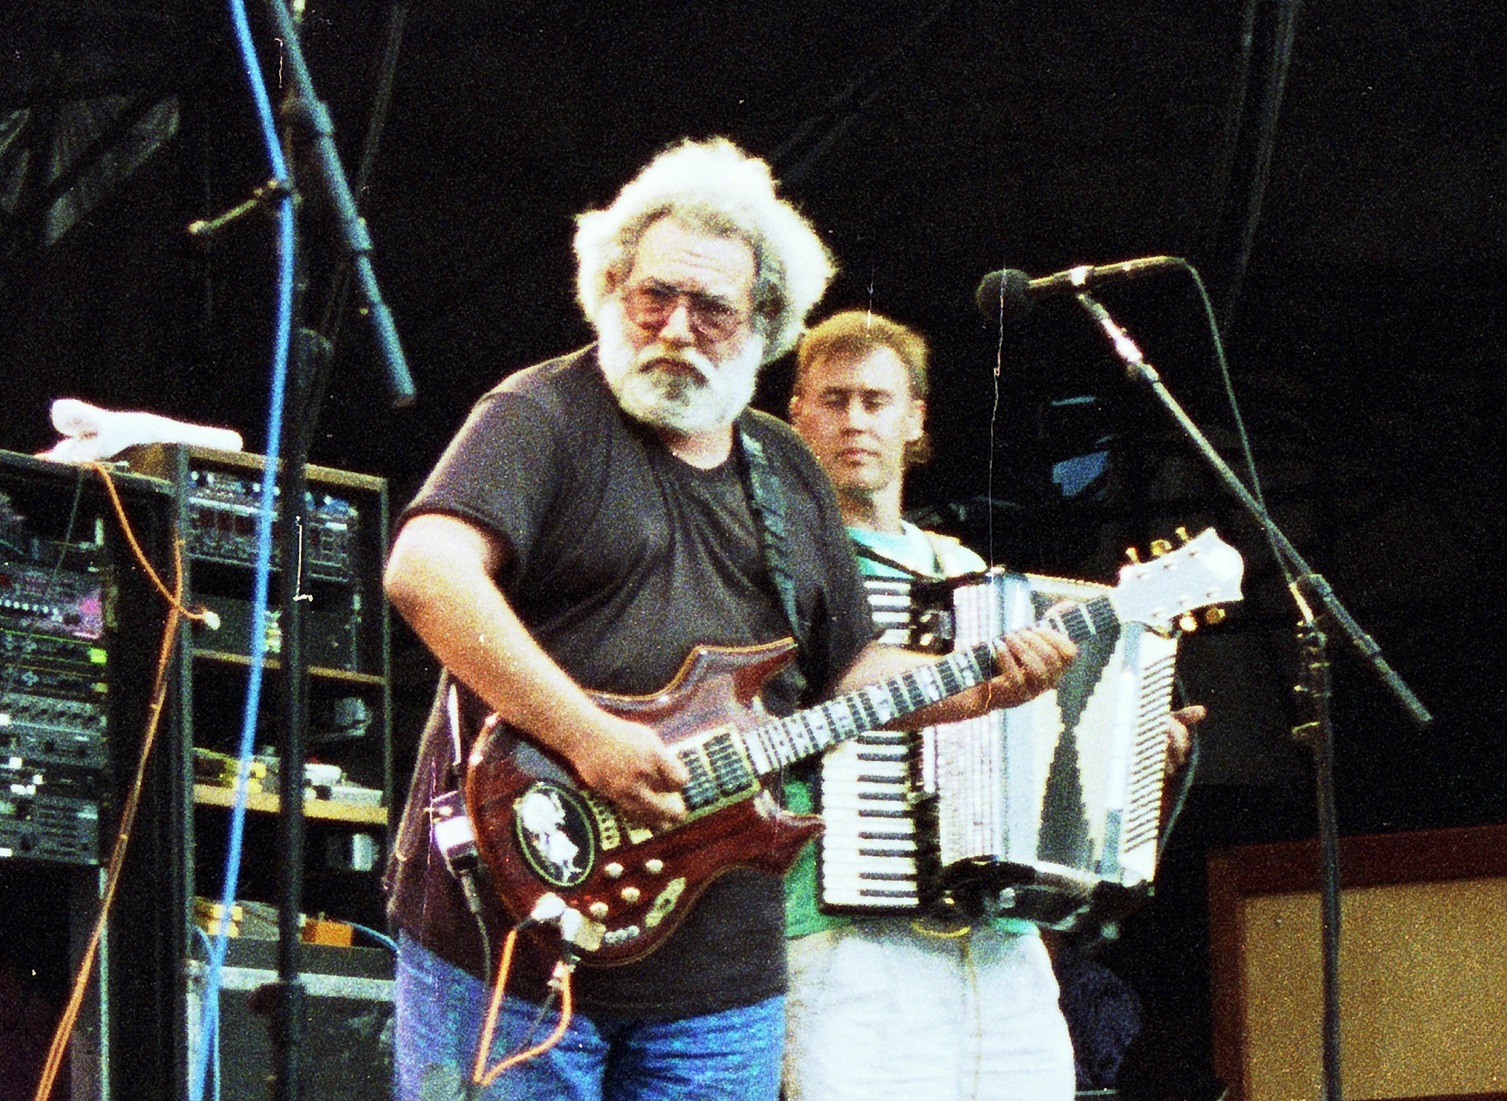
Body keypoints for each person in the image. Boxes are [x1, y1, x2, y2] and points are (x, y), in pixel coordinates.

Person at [381, 139, 1078, 1101]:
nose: (675, 327)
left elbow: (843, 674)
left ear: (763, 324)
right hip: (516, 929)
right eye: (652, 297)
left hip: (716, 976)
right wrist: (589, 737)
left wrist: (971, 687)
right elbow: (426, 572)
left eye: (710, 309)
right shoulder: (541, 413)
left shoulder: (784, 466)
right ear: (610, 288)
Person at [782, 309, 1200, 1101]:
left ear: (915, 420)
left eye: (876, 401)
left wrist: (1135, 748)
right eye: (832, 400)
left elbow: (1032, 740)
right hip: (846, 924)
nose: (854, 421)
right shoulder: (773, 562)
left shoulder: (967, 569)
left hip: (997, 935)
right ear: (797, 413)